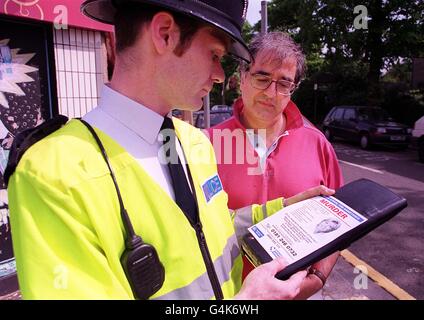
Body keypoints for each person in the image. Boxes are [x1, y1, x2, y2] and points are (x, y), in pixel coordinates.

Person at [7, 0, 334, 299]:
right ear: (164, 34)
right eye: (215, 55)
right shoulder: (52, 176)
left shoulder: (194, 142)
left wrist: (283, 208)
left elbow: (214, 230)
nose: (221, 75)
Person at [207, 32, 344, 299]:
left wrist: (317, 278)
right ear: (242, 77)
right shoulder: (206, 145)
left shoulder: (317, 144)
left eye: (284, 83)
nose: (272, 93)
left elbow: (340, 218)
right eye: (262, 77)